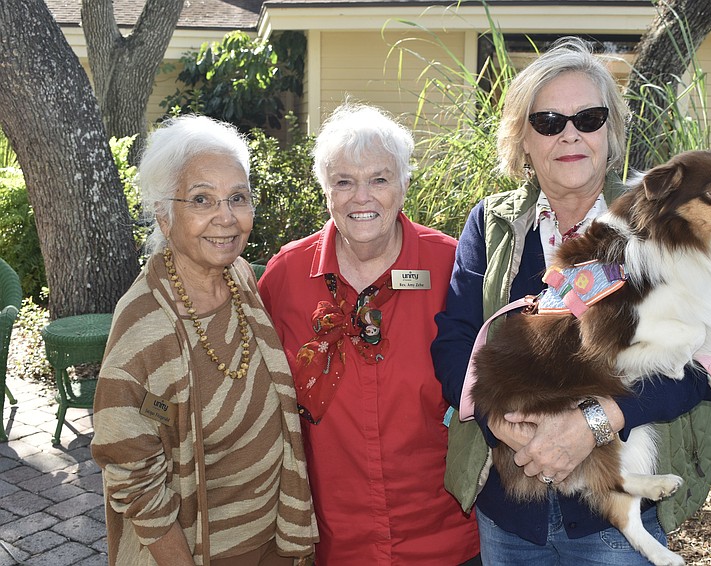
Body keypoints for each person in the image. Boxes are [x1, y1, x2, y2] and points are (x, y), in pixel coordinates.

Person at [431, 37, 711, 564]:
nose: (570, 134)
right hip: (511, 512)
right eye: (548, 122)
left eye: (588, 118)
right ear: (523, 140)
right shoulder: (490, 224)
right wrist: (503, 423)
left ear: (611, 133)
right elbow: (455, 340)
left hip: (616, 516)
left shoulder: (663, 225)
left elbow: (705, 363)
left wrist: (595, 422)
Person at [258, 102, 480, 565]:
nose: (362, 197)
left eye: (379, 179)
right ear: (325, 190)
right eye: (344, 182)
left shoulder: (451, 267)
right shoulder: (286, 277)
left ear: (403, 185)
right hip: (334, 542)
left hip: (447, 540)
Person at [91, 115, 317, 566]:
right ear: (164, 215)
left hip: (273, 539)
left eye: (238, 197)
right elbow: (132, 476)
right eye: (201, 199)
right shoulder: (144, 325)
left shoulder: (240, 278)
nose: (226, 217)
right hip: (199, 551)